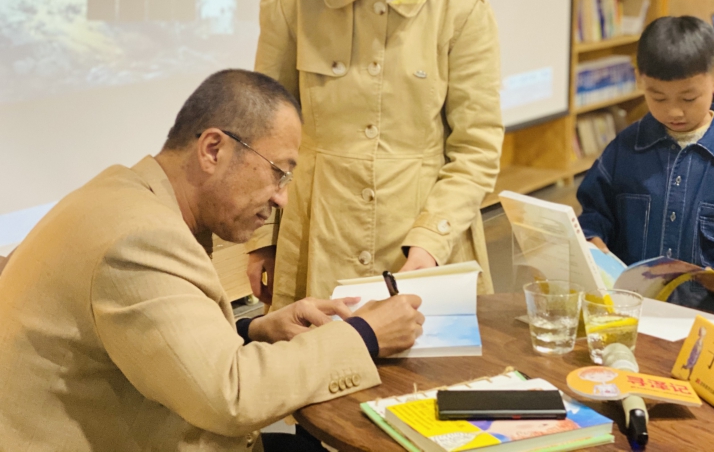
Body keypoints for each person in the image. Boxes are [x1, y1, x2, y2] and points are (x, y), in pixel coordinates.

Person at [0, 70, 424, 452]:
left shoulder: (118, 193)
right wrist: (365, 333)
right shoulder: (139, 239)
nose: (282, 197)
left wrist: (252, 331)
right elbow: (232, 397)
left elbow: (151, 339)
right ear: (213, 149)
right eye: (279, 171)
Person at [246, 0, 503, 309]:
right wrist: (261, 238)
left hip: (425, 238)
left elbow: (477, 147)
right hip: (319, 231)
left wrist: (431, 240)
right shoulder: (291, 3)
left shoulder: (463, 10)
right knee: (320, 368)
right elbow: (262, 135)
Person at [577, 17, 714, 319]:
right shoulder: (624, 150)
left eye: (689, 98)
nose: (673, 111)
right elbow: (594, 215)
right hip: (633, 318)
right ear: (640, 80)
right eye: (658, 97)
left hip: (713, 324)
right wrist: (594, 245)